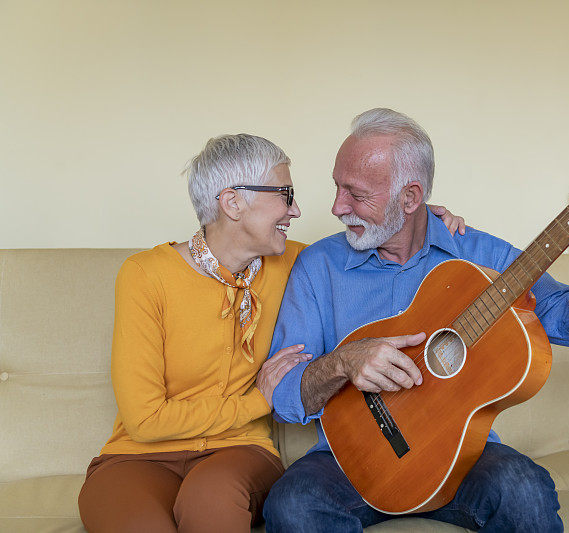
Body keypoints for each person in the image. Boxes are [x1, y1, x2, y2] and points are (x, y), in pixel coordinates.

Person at [263, 108, 569, 532]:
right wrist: (343, 362)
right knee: (292, 505)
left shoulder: (481, 258)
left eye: (356, 193)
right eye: (337, 187)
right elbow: (286, 395)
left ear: (410, 197)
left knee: (524, 490)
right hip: (350, 459)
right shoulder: (318, 265)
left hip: (463, 455)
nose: (336, 206)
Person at [76, 132, 468, 532]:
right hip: (138, 455)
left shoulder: (295, 262)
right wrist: (257, 401)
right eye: (285, 194)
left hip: (238, 451)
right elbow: (144, 420)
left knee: (211, 503)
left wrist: (417, 218)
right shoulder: (145, 275)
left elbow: (371, 239)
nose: (296, 210)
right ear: (232, 203)